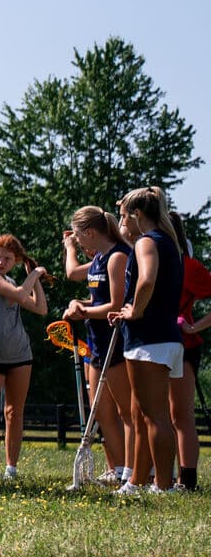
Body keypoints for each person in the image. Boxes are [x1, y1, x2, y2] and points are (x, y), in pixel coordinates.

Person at [110, 187, 185, 495]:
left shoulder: (147, 242)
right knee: (142, 415)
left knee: (154, 416)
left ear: (137, 215)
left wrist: (134, 311)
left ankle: (164, 485)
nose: (120, 221)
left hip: (149, 338)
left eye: (123, 215)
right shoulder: (169, 242)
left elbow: (147, 279)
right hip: (163, 336)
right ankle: (136, 481)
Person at [62, 207, 134, 482]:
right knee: (100, 409)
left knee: (126, 411)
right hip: (96, 342)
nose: (78, 242)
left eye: (79, 236)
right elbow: (97, 299)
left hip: (115, 341)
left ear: (90, 233)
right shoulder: (98, 259)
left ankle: (133, 471)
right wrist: (79, 304)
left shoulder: (117, 257)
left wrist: (83, 311)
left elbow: (116, 305)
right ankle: (116, 469)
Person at [0, 234, 48, 479]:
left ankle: (11, 468)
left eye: (8, 259)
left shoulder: (12, 280)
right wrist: (34, 274)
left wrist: (35, 278)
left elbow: (41, 308)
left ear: (16, 262)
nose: (1, 262)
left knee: (14, 412)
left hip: (19, 353)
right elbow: (19, 294)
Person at [168, 212, 211, 490]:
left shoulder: (189, 266)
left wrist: (195, 328)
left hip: (184, 345)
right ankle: (161, 476)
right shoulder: (146, 262)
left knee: (179, 414)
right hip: (151, 342)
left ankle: (188, 480)